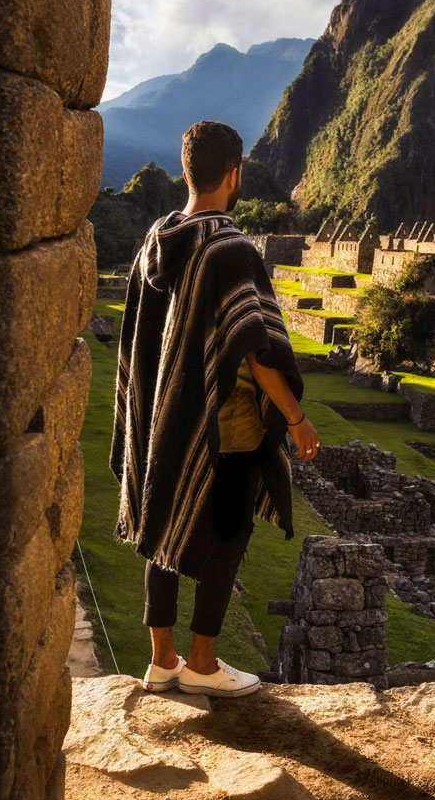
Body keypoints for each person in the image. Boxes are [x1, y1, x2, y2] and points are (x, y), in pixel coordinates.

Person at [109, 120, 320, 698]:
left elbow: (143, 339)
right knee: (227, 532)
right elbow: (254, 348)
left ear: (185, 172)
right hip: (226, 425)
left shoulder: (158, 239)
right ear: (235, 176)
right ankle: (203, 663)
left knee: (162, 520)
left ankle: (162, 660)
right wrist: (296, 419)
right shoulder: (231, 248)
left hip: (165, 417)